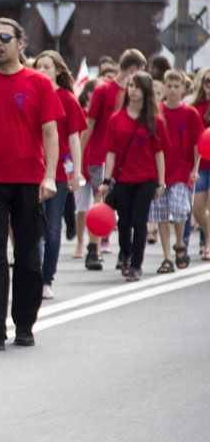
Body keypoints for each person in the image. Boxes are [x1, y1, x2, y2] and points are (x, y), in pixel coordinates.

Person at [0, 18, 62, 350]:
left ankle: (24, 324)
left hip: (29, 182)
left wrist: (49, 176)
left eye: (4, 37)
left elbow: (51, 134)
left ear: (20, 43)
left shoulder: (39, 84)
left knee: (28, 257)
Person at [80, 48, 147, 270]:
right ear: (133, 69)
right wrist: (80, 154)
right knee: (101, 203)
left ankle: (124, 252)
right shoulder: (104, 91)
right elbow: (89, 125)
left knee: (125, 210)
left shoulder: (137, 95)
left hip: (127, 161)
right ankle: (93, 249)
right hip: (101, 156)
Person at [97, 72, 169, 281]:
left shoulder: (153, 121)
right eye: (130, 86)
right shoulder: (115, 119)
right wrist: (106, 180)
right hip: (123, 179)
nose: (132, 90)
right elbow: (110, 153)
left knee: (139, 221)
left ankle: (136, 264)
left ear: (145, 91)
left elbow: (159, 154)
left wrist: (161, 183)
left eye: (137, 86)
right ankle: (126, 254)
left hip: (146, 179)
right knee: (123, 222)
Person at [33, 51, 87, 299]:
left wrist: (77, 171)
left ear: (58, 70)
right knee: (33, 227)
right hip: (31, 169)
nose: (42, 69)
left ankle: (46, 279)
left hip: (57, 172)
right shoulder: (31, 94)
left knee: (53, 227)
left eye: (47, 66)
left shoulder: (67, 98)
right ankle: (32, 274)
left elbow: (74, 138)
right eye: (38, 66)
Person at [150, 69, 201, 273]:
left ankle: (180, 242)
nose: (172, 90)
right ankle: (167, 257)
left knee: (179, 209)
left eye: (176, 86)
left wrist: (194, 169)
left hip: (181, 170)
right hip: (160, 171)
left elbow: (198, 144)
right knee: (161, 213)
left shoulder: (190, 113)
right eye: (168, 86)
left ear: (183, 89)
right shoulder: (157, 112)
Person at [73, 80, 99, 259]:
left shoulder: (103, 115)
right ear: (89, 93)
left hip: (98, 162)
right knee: (81, 207)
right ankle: (80, 242)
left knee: (97, 207)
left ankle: (94, 244)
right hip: (82, 164)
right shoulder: (80, 112)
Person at [189, 68, 210, 260]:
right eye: (207, 81)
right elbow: (193, 139)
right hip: (201, 164)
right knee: (197, 208)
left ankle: (209, 244)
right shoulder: (196, 107)